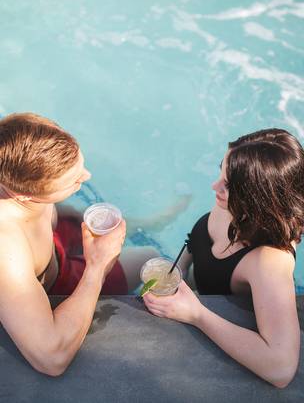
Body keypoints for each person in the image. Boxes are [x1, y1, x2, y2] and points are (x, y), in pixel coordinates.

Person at [0, 112, 190, 375]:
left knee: (79, 219)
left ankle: (145, 222)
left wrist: (74, 217)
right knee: (150, 257)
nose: (86, 177)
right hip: (58, 283)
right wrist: (97, 267)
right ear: (23, 196)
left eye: (81, 167)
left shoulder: (20, 160)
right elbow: (51, 358)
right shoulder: (7, 251)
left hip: (54, 245)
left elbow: (52, 205)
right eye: (74, 181)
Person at [143, 128, 303, 388]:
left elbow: (281, 368)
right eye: (222, 171)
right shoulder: (234, 205)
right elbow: (198, 244)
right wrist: (174, 273)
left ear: (257, 199)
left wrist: (196, 314)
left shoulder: (270, 262)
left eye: (229, 185)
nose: (214, 186)